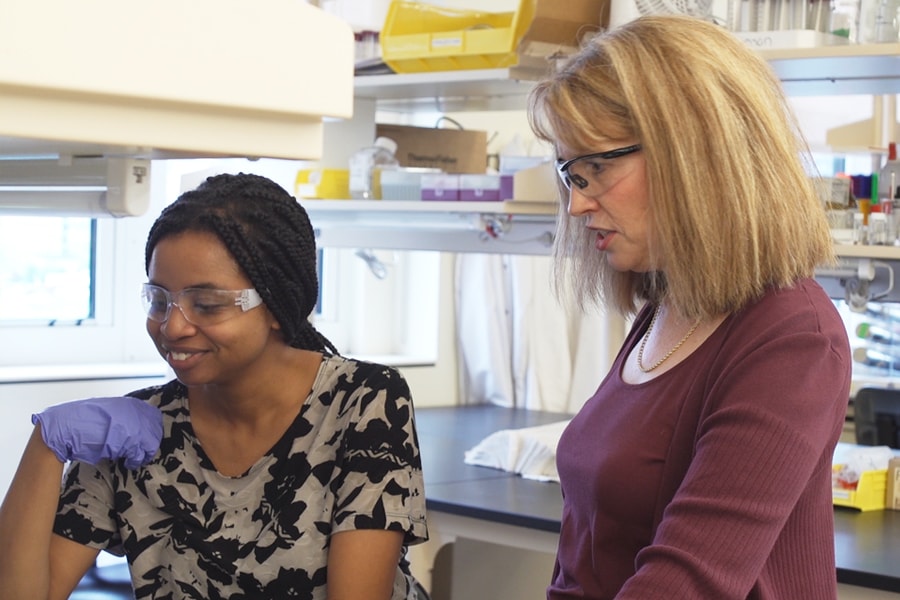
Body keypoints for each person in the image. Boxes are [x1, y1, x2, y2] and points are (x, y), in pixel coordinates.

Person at [526, 15, 851, 600]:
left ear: (695, 153)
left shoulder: (793, 337)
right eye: (570, 174)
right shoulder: (667, 309)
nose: (576, 206)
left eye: (595, 168)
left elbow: (686, 582)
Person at [0, 173, 429, 599]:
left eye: (206, 305)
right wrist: (47, 445)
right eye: (159, 300)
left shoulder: (364, 401)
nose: (173, 326)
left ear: (277, 303)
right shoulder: (133, 437)